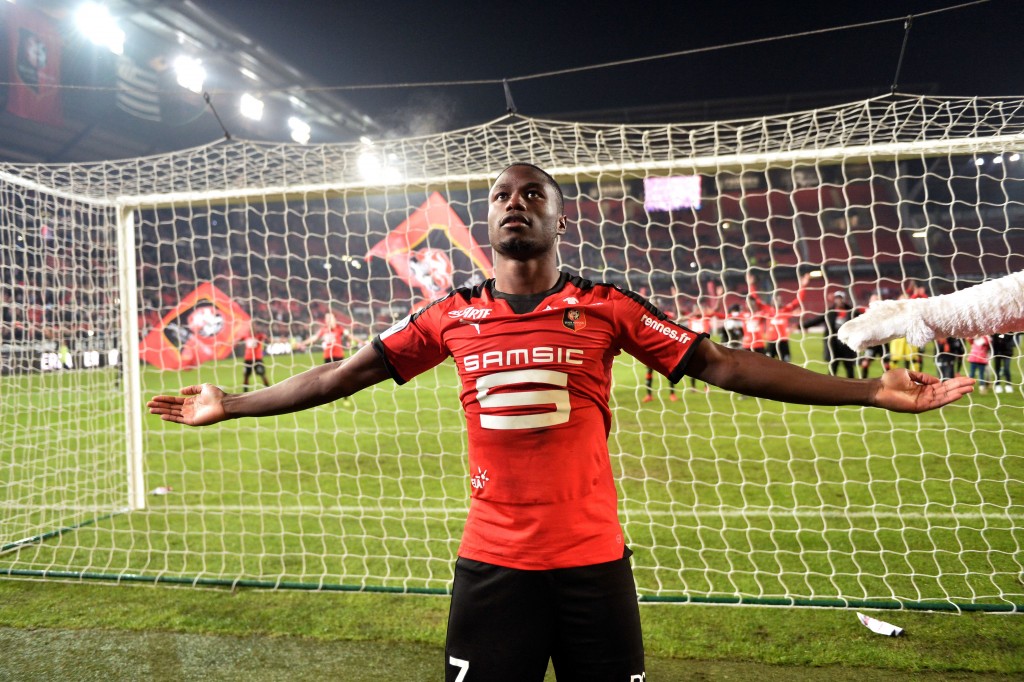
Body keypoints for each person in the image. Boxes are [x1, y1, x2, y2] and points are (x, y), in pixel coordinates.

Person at [147, 163, 974, 682]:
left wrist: (870, 392)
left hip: (593, 570)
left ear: (556, 217)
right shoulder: (450, 316)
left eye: (531, 194)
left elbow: (722, 364)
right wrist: (236, 401)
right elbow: (342, 374)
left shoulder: (607, 306)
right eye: (501, 195)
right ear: (491, 219)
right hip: (492, 571)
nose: (514, 204)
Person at [802, 290, 858, 378]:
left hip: (847, 345)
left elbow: (863, 319)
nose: (838, 300)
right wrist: (802, 326)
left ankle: (853, 387)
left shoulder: (852, 311)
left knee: (849, 368)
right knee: (832, 368)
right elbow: (817, 319)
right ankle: (831, 387)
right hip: (833, 344)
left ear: (844, 299)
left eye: (840, 298)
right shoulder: (830, 312)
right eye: (837, 298)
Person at [241, 324, 271, 392]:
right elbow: (238, 339)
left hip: (257, 359)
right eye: (251, 327)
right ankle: (245, 392)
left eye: (254, 327)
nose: (252, 329)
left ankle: (269, 390)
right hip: (247, 359)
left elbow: (267, 339)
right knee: (246, 376)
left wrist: (267, 339)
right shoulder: (246, 336)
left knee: (262, 375)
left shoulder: (259, 336)